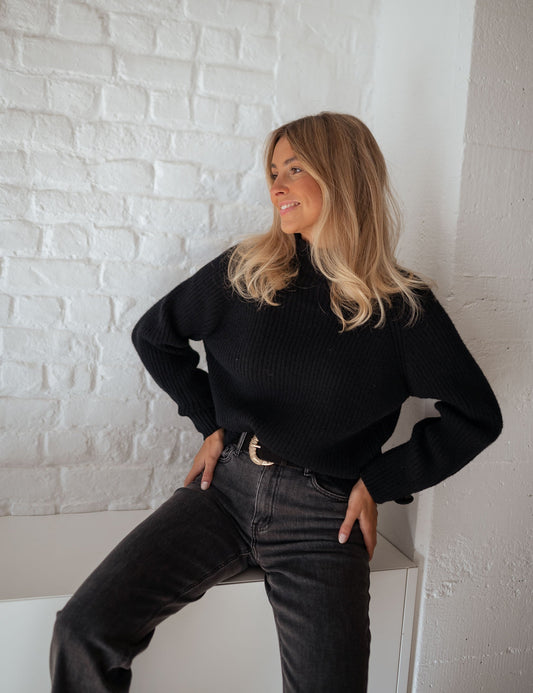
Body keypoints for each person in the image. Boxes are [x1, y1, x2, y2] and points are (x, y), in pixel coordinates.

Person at [50, 112, 502, 692]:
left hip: (324, 515)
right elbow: (155, 336)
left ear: (342, 175)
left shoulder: (400, 307)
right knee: (83, 629)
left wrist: (379, 483)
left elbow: (475, 416)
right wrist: (209, 424)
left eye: (294, 169)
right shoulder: (248, 270)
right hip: (224, 491)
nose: (277, 186)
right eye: (272, 172)